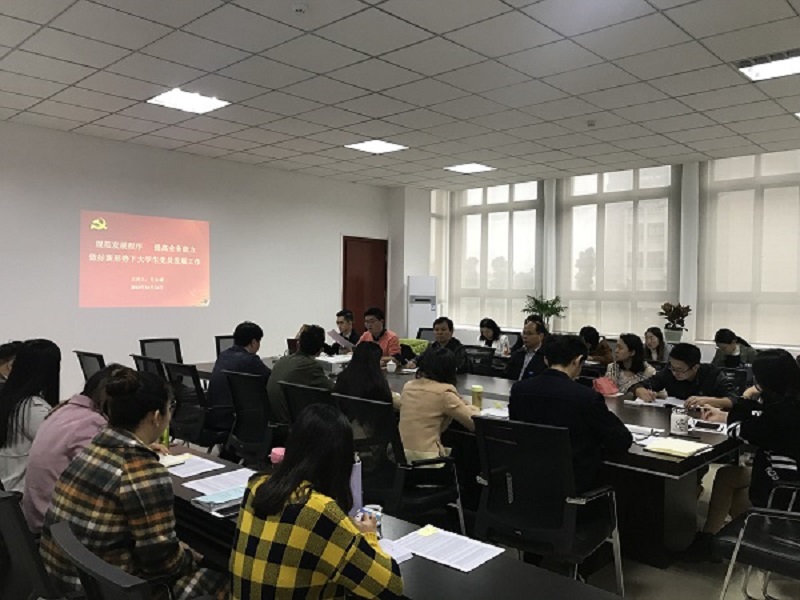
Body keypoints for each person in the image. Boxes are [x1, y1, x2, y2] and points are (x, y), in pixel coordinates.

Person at [39, 370, 228, 600]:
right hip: (109, 590)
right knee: (223, 578)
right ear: (156, 416)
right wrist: (194, 556)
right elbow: (163, 564)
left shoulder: (92, 449)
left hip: (66, 582)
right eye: (170, 408)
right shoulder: (141, 470)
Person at [230, 403, 403, 599]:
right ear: (341, 461)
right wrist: (369, 535)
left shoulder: (256, 485)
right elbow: (391, 587)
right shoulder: (319, 512)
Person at [685, 349, 800, 560]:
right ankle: (709, 539)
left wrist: (744, 398)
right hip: (785, 475)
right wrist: (725, 415)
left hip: (785, 490)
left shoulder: (782, 413)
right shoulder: (790, 401)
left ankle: (715, 543)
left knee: (737, 497)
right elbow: (759, 418)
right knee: (727, 476)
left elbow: (742, 430)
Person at [509, 335, 632, 494]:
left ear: (546, 360)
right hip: (573, 484)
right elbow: (621, 440)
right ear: (578, 360)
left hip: (527, 479)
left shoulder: (519, 390)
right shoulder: (586, 397)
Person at [23, 364, 126, 533]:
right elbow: (107, 480)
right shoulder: (91, 423)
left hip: (39, 516)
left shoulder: (65, 410)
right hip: (59, 529)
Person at [396, 348, 479, 463]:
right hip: (425, 460)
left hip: (399, 454)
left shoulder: (408, 386)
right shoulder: (444, 393)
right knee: (466, 450)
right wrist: (474, 408)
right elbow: (474, 423)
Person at [0, 339, 61, 492]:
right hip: (20, 495)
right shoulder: (34, 409)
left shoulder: (9, 399)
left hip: (8, 489)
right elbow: (60, 448)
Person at [632, 343, 738, 409]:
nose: (674, 373)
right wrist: (641, 391)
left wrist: (707, 401)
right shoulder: (669, 371)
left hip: (706, 419)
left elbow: (734, 400)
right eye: (672, 368)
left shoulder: (712, 374)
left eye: (680, 370)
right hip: (674, 417)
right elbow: (640, 385)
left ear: (695, 367)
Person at [208, 321, 271, 431]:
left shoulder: (223, 355)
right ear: (253, 342)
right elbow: (271, 379)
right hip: (235, 418)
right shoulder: (251, 360)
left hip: (215, 414)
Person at [267, 324, 333, 423]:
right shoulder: (311, 366)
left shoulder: (281, 361)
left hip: (275, 421)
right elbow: (333, 390)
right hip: (296, 423)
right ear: (320, 350)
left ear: (298, 344)